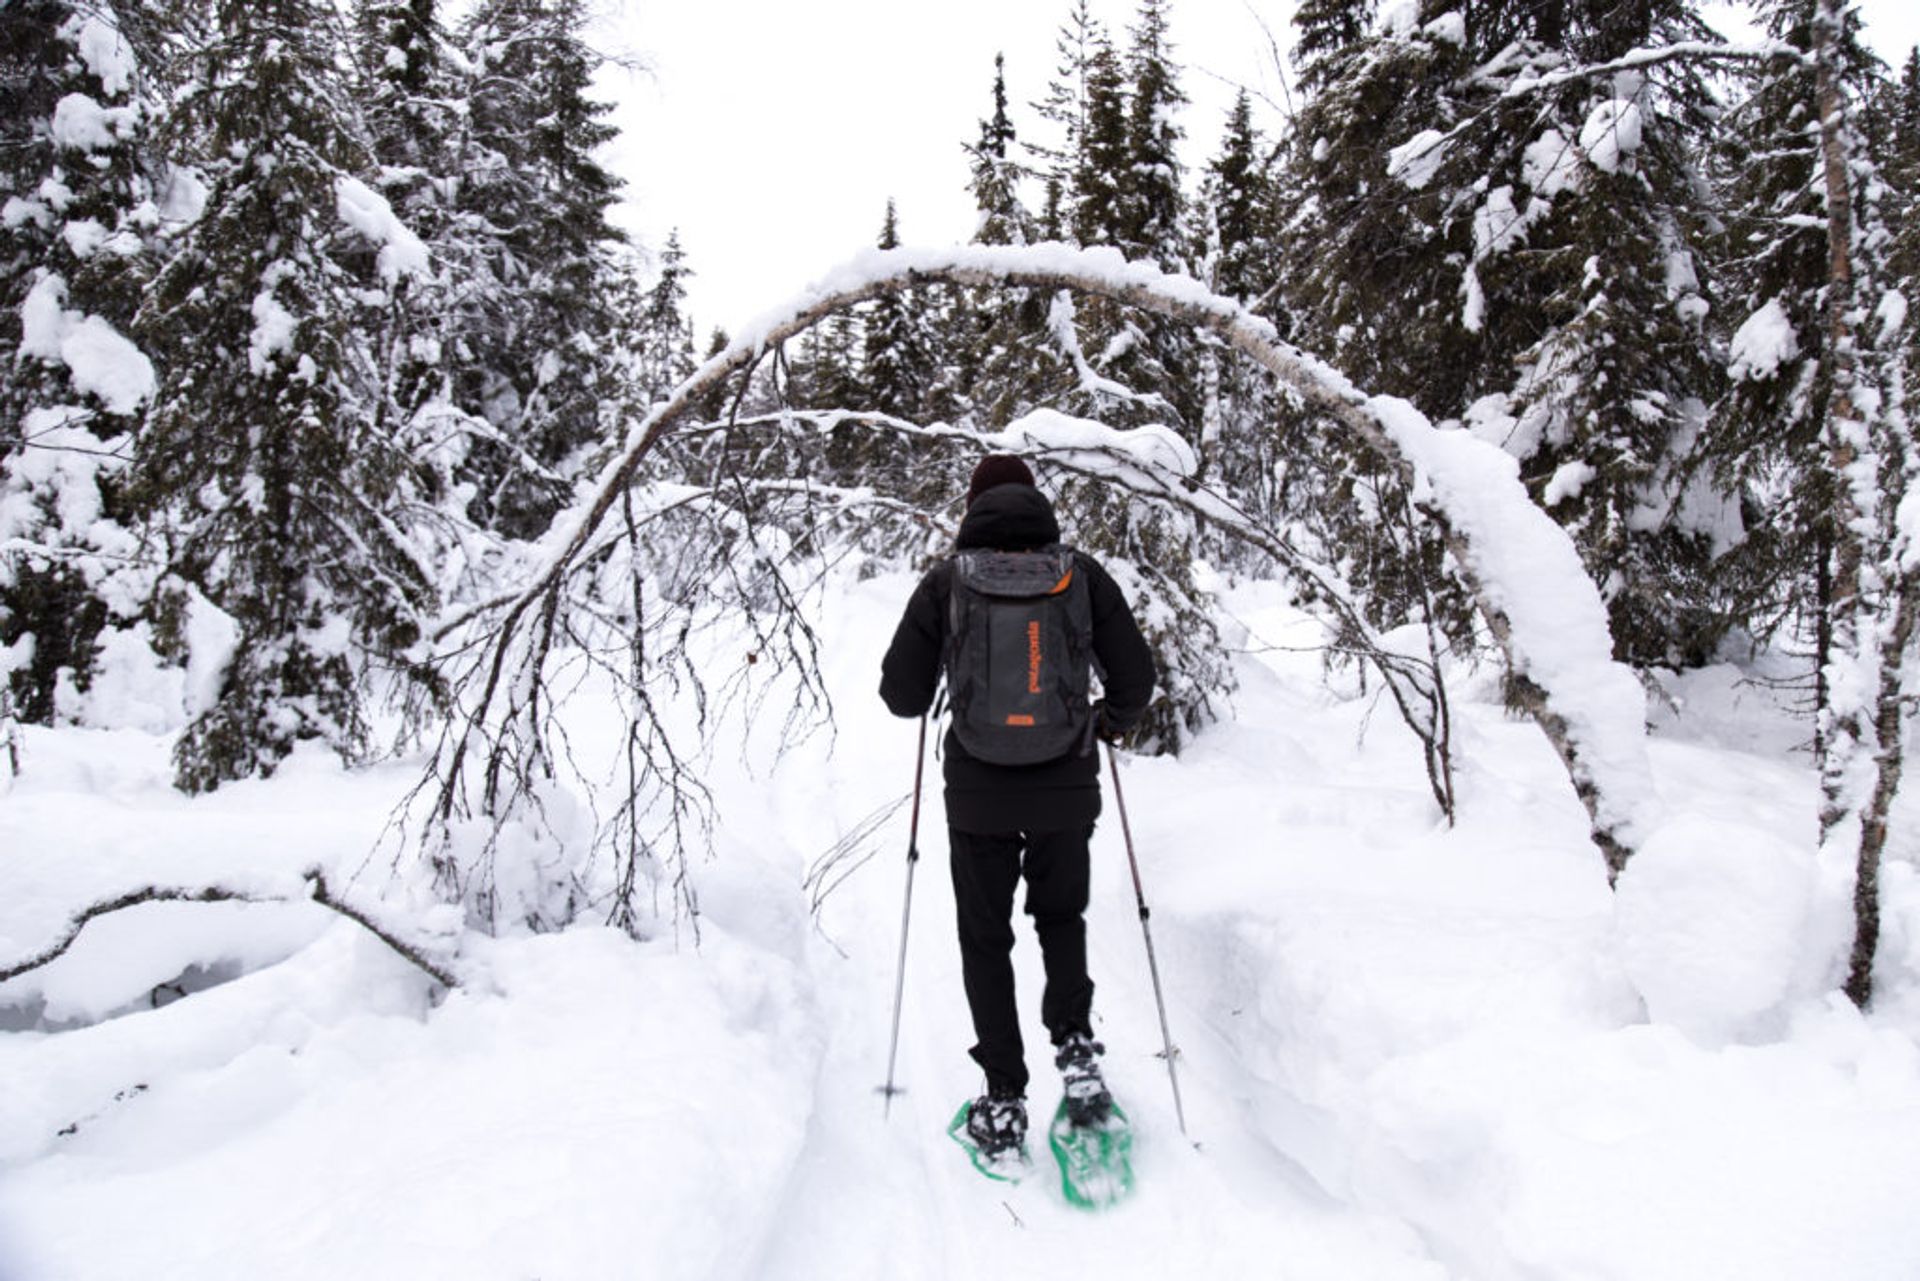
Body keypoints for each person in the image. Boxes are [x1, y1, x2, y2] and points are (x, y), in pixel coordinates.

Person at [879, 454, 1155, 1159]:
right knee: (1060, 918)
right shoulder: (1081, 575)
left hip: (978, 790)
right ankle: (1076, 1047)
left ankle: (1004, 1096)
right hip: (1066, 781)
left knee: (985, 937)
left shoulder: (947, 580)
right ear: (1037, 505)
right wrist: (1108, 722)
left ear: (972, 506)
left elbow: (902, 695)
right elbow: (1135, 677)